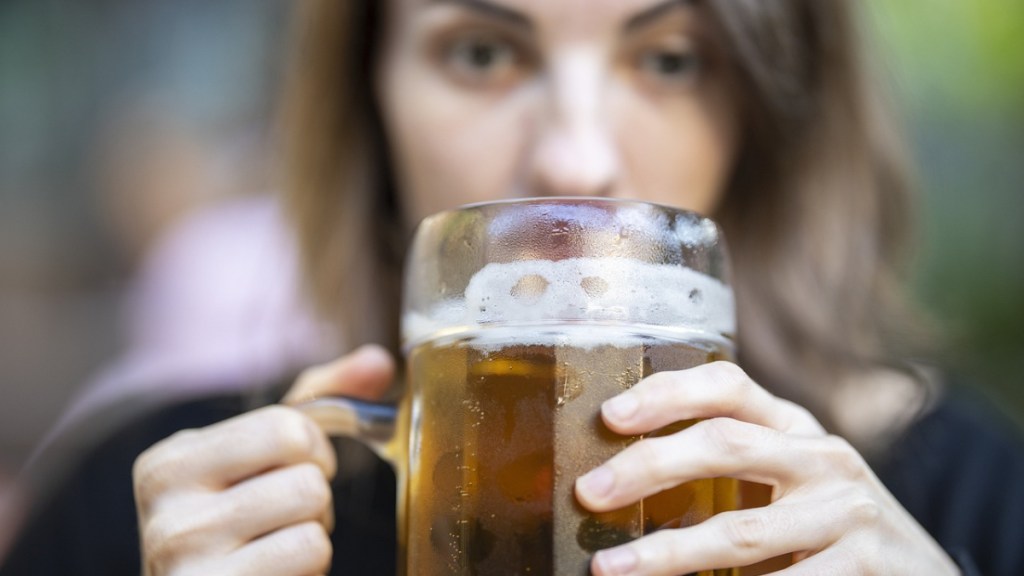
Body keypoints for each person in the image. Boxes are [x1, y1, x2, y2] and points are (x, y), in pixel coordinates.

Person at [4, 0, 1024, 575]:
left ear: (765, 114)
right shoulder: (151, 514)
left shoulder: (968, 507)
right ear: (369, 105)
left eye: (668, 59)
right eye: (483, 52)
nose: (574, 162)